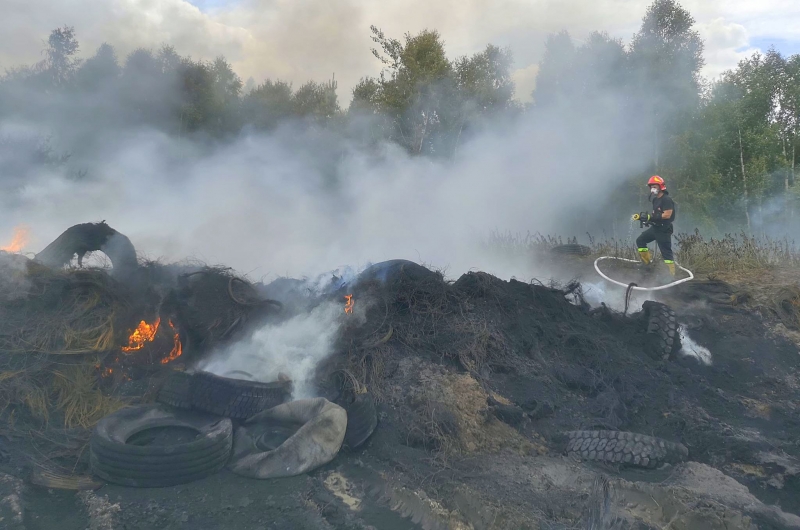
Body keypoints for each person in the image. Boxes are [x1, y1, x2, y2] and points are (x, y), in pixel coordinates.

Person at [632, 176, 677, 277]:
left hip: (664, 229)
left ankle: (670, 275)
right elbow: (655, 216)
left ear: (661, 187)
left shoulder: (666, 199)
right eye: (651, 186)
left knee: (666, 252)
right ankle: (646, 264)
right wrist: (643, 218)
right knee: (640, 240)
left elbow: (667, 215)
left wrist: (651, 217)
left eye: (655, 186)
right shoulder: (655, 200)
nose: (653, 188)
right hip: (655, 228)